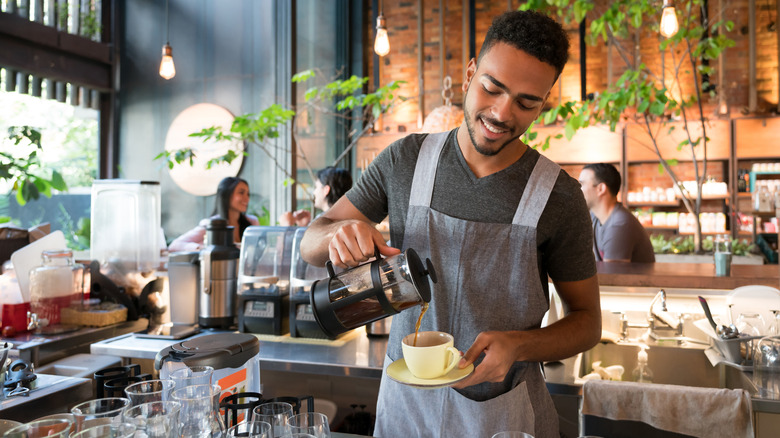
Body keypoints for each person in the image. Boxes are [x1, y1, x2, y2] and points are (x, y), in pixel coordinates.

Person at [300, 11, 600, 438]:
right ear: (469, 74)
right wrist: (337, 235)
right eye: (492, 88)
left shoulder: (559, 196)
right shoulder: (405, 160)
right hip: (406, 410)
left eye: (526, 102)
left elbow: (588, 321)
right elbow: (311, 242)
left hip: (503, 415)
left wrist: (520, 344)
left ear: (544, 101)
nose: (501, 113)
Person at [579, 163, 655, 263]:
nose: (578, 190)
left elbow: (612, 276)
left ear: (601, 189)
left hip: (630, 279)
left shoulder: (619, 224)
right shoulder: (595, 217)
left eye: (581, 184)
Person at [168, 176, 259, 252]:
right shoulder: (212, 224)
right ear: (226, 195)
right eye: (241, 193)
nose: (247, 199)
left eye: (248, 194)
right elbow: (174, 245)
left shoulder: (252, 223)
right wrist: (204, 250)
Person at [278, 167, 353, 226]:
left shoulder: (322, 222)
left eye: (316, 187)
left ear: (326, 190)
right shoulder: (350, 218)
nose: (314, 192)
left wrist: (285, 226)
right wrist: (305, 226)